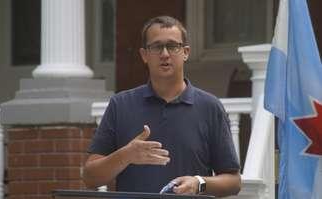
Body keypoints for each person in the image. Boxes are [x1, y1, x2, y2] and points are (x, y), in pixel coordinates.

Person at [84, 15, 241, 197]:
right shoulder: (121, 105)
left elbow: (233, 181)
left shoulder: (209, 107)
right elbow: (90, 177)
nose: (165, 54)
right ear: (144, 55)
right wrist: (125, 155)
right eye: (157, 47)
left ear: (186, 52)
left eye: (173, 46)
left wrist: (199, 183)